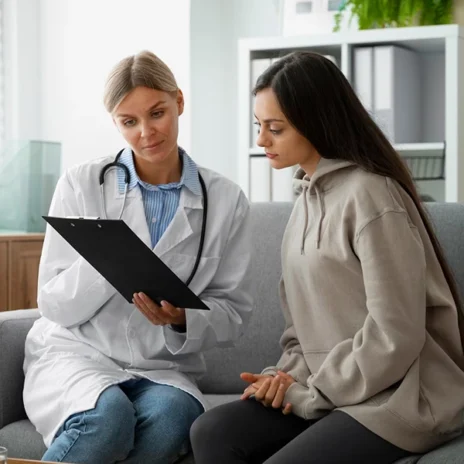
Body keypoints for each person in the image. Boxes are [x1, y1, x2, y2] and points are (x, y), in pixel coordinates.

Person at [190, 51, 464, 464]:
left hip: (398, 397)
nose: (262, 140)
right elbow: (301, 332)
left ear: (315, 120)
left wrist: (314, 393)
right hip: (333, 390)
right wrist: (284, 380)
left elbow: (396, 335)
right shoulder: (304, 202)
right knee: (212, 430)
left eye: (275, 128)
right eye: (259, 126)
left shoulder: (372, 197)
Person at [23, 50, 252, 464]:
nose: (146, 132)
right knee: (107, 416)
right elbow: (53, 303)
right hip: (79, 352)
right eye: (129, 122)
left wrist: (182, 317)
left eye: (157, 113)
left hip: (162, 367)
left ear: (179, 102)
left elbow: (234, 315)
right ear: (115, 122)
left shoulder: (226, 199)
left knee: (172, 419)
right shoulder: (82, 183)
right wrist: (108, 262)